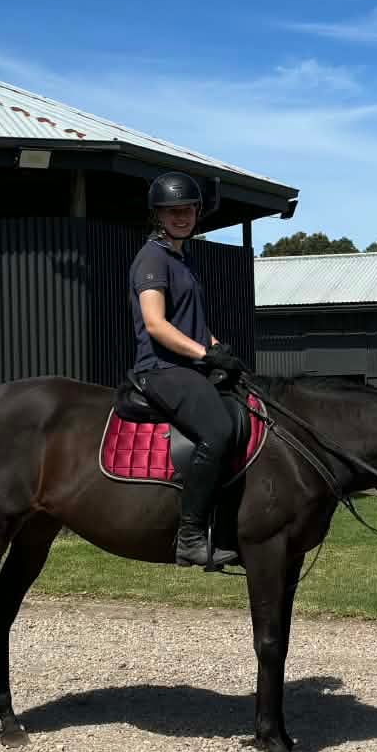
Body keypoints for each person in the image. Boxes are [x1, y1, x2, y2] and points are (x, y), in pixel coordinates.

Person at [129, 171, 247, 569]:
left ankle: (231, 525)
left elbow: (190, 322)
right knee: (217, 430)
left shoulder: (181, 259)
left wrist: (218, 350)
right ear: (157, 215)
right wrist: (204, 354)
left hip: (189, 365)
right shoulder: (152, 259)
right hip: (161, 369)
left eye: (188, 209)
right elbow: (156, 324)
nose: (181, 216)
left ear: (198, 212)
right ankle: (190, 538)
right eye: (172, 210)